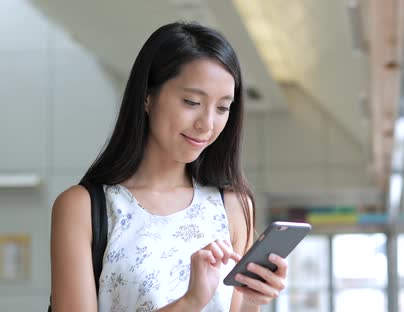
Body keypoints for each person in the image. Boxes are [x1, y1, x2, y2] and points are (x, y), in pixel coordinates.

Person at [50, 21, 287, 311]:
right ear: (148, 97)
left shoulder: (234, 207)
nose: (207, 124)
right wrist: (190, 302)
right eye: (191, 102)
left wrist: (253, 299)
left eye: (223, 108)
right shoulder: (83, 207)